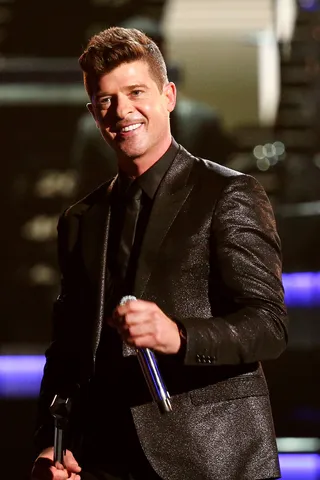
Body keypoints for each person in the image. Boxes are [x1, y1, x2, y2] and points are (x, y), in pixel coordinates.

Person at [31, 27, 288, 480]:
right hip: (104, 459)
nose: (122, 110)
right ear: (93, 113)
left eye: (135, 92)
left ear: (168, 95)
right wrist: (53, 445)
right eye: (106, 100)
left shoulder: (228, 194)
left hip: (212, 461)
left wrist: (179, 336)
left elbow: (269, 326)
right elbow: (66, 350)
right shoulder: (81, 219)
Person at [70, 16, 236, 199]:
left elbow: (220, 188)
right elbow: (86, 195)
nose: (123, 110)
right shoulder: (93, 133)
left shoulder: (203, 123)